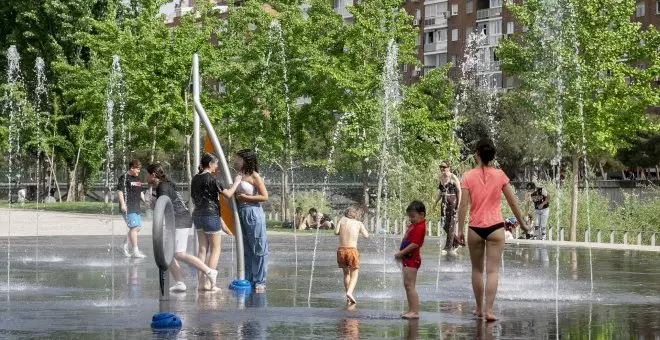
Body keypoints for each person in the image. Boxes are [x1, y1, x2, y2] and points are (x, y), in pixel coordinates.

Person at [457, 138, 531, 322]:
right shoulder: (500, 175)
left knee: (477, 270)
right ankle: (489, 311)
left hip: (475, 228)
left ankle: (479, 309)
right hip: (496, 228)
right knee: (492, 271)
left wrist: (458, 230)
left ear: (477, 154)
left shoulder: (467, 176)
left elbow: (463, 205)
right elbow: (513, 201)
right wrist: (522, 223)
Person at [146, 163, 219, 292]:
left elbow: (163, 205)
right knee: (167, 252)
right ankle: (179, 282)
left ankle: (209, 271)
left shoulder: (162, 186)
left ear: (152, 175)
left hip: (180, 220)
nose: (145, 177)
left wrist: (155, 205)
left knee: (179, 253)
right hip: (176, 221)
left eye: (147, 174)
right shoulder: (165, 184)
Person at [191, 153, 242, 291]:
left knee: (202, 250)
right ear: (210, 164)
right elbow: (228, 194)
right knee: (215, 249)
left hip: (197, 215)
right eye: (216, 164)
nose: (217, 166)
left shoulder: (195, 178)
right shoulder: (213, 179)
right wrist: (237, 181)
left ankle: (201, 283)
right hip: (210, 215)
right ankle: (209, 283)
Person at [234, 149, 269, 293]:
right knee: (246, 248)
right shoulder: (239, 175)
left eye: (238, 159)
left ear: (245, 161)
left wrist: (246, 198)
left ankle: (260, 280)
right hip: (241, 212)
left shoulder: (254, 176)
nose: (235, 161)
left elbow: (264, 196)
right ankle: (248, 278)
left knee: (258, 248)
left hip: (253, 213)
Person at [394, 201, 427, 319]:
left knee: (410, 285)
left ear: (421, 215)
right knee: (407, 285)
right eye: (409, 216)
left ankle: (414, 311)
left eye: (413, 216)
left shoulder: (420, 226)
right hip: (408, 259)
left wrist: (401, 253)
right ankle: (411, 309)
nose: (410, 219)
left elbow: (415, 244)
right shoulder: (415, 225)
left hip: (412, 259)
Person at [335, 205, 369, 305]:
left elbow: (336, 232)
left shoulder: (341, 221)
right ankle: (350, 292)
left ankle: (348, 296)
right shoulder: (359, 223)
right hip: (352, 250)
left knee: (346, 274)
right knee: (354, 274)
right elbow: (366, 236)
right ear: (356, 214)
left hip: (341, 251)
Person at [118, 159, 147, 258]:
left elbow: (140, 192)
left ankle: (123, 246)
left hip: (136, 206)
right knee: (134, 228)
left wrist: (145, 202)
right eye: (137, 169)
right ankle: (135, 250)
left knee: (137, 228)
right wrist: (122, 204)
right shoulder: (124, 177)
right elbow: (120, 191)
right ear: (132, 168)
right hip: (128, 206)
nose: (139, 171)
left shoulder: (137, 178)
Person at [432, 160, 463, 255]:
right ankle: (457, 242)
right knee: (443, 223)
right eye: (440, 167)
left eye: (444, 167)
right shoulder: (441, 178)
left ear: (448, 167)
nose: (442, 168)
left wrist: (458, 204)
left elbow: (459, 191)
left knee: (451, 225)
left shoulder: (453, 177)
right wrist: (435, 202)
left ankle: (447, 247)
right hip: (444, 202)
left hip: (452, 200)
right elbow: (440, 192)